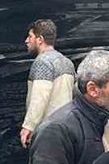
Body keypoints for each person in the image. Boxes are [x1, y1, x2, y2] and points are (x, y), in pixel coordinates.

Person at [21, 19, 76, 148]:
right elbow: (75, 95)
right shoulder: (67, 62)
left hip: (47, 133)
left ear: (40, 39)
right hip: (67, 129)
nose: (26, 41)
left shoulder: (42, 62)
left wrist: (28, 126)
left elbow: (40, 97)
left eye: (30, 36)